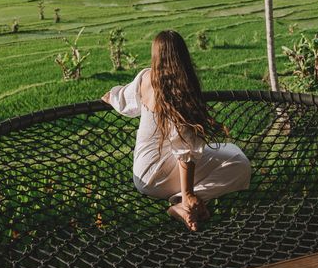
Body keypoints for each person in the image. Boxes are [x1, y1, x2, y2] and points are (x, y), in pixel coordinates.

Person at [101, 30, 252, 231]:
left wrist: (111, 96)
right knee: (239, 162)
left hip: (141, 172)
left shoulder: (146, 77)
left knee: (227, 149)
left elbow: (124, 100)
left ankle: (183, 202)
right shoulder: (180, 92)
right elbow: (185, 152)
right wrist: (189, 192)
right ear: (183, 55)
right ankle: (183, 202)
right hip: (160, 176)